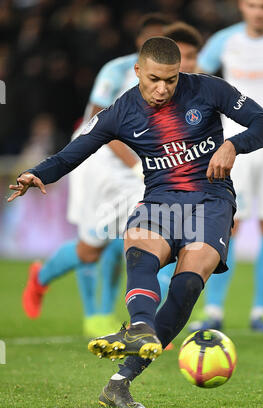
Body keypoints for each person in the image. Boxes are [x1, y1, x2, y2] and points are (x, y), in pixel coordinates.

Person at [8, 37, 263, 408]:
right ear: (138, 71)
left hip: (211, 202)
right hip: (159, 201)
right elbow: (75, 150)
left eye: (170, 80)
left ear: (179, 73)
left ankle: (120, 382)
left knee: (186, 288)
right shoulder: (120, 111)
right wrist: (35, 173)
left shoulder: (208, 89)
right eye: (154, 79)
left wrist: (234, 145)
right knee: (139, 245)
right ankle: (139, 325)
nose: (162, 88)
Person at [20, 13, 170, 338]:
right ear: (139, 44)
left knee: (142, 236)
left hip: (135, 167)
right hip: (98, 162)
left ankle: (146, 321)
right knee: (92, 247)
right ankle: (43, 277)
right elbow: (98, 125)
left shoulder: (174, 80)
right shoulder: (117, 71)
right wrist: (136, 166)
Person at [189, 0, 263, 334]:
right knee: (227, 224)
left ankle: (261, 312)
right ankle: (212, 310)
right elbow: (198, 84)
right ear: (242, 6)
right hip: (232, 147)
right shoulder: (224, 41)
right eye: (252, 5)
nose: (259, 12)